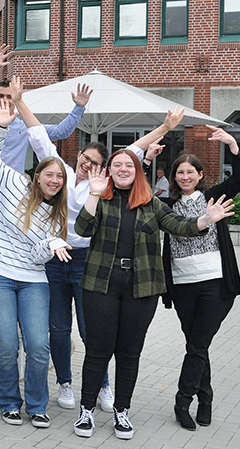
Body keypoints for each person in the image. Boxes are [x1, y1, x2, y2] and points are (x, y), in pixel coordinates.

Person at [28, 88, 182, 414]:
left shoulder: (104, 186)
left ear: (105, 168)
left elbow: (134, 151)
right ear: (78, 158)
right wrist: (18, 103)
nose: (89, 165)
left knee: (92, 330)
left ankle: (104, 387)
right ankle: (66, 383)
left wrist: (166, 128)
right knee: (58, 327)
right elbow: (40, 138)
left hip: (90, 261)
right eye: (85, 159)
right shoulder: (64, 176)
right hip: (56, 259)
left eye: (97, 163)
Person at [73, 131, 234, 440]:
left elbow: (181, 226)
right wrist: (93, 194)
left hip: (141, 287)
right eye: (117, 165)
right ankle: (87, 409)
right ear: (109, 171)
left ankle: (122, 410)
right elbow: (81, 230)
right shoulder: (100, 199)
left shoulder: (151, 204)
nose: (123, 169)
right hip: (100, 284)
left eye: (129, 166)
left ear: (137, 172)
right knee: (98, 350)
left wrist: (206, 220)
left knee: (130, 352)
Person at [0, 87, 71, 429]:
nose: (54, 179)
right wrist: (0, 127)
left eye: (60, 177)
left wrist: (49, 247)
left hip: (33, 281)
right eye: (50, 173)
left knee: (38, 346)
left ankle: (37, 404)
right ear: (37, 175)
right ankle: (9, 402)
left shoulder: (56, 217)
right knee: (5, 346)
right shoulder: (12, 181)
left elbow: (36, 256)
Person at [0, 46, 85, 310]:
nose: (5, 101)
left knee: (20, 242)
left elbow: (63, 130)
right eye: (0, 95)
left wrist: (78, 109)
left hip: (17, 194)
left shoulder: (24, 124)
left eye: (10, 96)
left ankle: (12, 295)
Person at [160, 125, 240, 431]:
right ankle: (205, 398)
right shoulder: (166, 206)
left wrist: (233, 144)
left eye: (190, 171)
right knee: (197, 344)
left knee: (196, 346)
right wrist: (145, 156)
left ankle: (183, 402)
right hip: (182, 286)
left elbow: (239, 180)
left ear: (200, 174)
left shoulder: (212, 197)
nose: (185, 176)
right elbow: (135, 189)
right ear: (174, 177)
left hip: (214, 283)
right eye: (180, 172)